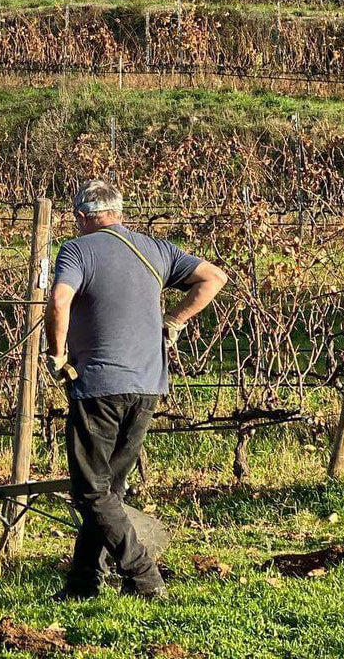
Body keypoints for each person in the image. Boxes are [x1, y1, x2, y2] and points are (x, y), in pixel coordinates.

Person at [44, 178, 228, 601]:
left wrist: (57, 355)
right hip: (147, 384)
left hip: (99, 385)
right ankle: (82, 584)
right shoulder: (157, 249)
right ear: (119, 212)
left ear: (81, 217)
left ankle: (144, 576)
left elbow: (59, 301)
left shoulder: (77, 251)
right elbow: (214, 277)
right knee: (109, 491)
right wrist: (175, 321)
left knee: (91, 491)